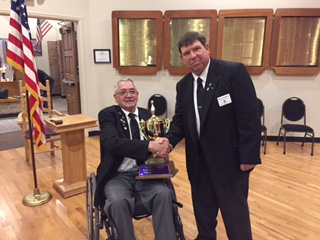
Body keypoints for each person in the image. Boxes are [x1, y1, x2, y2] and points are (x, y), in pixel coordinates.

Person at [164, 31, 261, 240]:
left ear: (207, 48)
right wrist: (168, 141)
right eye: (187, 52)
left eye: (196, 49)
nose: (193, 55)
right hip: (199, 164)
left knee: (236, 217)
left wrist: (249, 156)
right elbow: (180, 120)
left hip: (231, 162)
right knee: (204, 216)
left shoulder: (232, 72)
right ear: (182, 59)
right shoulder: (183, 86)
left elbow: (250, 116)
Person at [94, 78, 177, 240]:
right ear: (115, 97)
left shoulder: (147, 116)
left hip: (145, 173)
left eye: (132, 91)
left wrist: (163, 146)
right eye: (123, 92)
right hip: (117, 175)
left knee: (163, 193)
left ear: (138, 95)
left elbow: (157, 141)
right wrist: (149, 146)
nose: (128, 95)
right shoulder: (108, 115)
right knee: (118, 201)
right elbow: (113, 143)